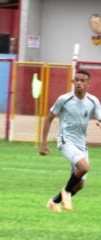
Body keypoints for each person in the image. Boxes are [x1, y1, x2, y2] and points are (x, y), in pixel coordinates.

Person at [40, 70, 101, 212]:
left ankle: (53, 202)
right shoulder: (64, 99)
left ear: (88, 83)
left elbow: (100, 118)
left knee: (79, 185)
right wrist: (44, 143)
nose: (79, 83)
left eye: (82, 80)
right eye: (77, 80)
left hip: (81, 144)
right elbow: (49, 119)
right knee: (84, 167)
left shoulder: (93, 101)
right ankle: (66, 192)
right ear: (73, 82)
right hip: (65, 140)